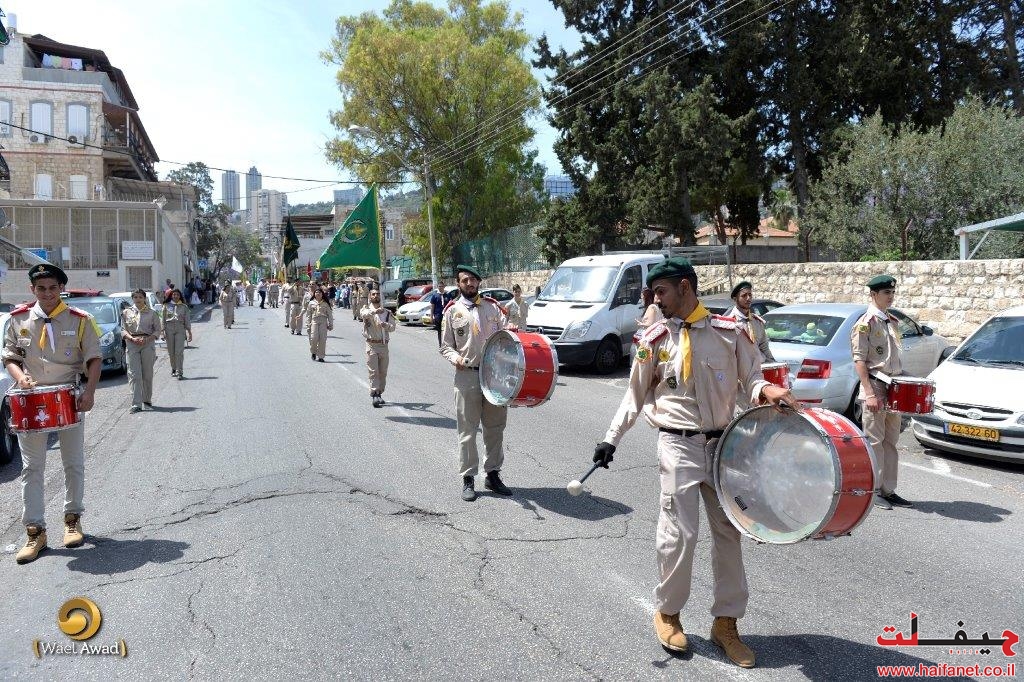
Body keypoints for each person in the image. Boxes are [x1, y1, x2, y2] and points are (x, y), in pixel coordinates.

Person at [592, 257, 797, 667]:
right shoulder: (654, 339)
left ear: (685, 287)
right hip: (677, 445)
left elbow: (751, 378)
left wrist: (765, 392)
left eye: (661, 292)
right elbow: (634, 395)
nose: (656, 300)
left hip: (723, 446)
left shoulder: (729, 333)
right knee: (680, 532)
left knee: (729, 532)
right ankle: (668, 613)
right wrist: (610, 438)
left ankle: (726, 624)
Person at [3, 264, 103, 564]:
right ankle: (35, 531)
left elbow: (94, 358)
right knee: (32, 467)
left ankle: (72, 519)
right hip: (31, 400)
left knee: (73, 463)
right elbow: (10, 357)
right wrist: (20, 378)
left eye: (52, 288)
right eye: (41, 288)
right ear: (32, 289)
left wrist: (89, 392)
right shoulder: (18, 320)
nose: (47, 294)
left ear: (61, 288)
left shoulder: (81, 320)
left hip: (69, 399)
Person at [440, 265, 514, 502]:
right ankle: (468, 478)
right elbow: (445, 347)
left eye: (473, 280)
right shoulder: (452, 312)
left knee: (495, 427)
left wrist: (512, 330)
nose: (470, 283)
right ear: (458, 283)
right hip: (467, 375)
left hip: (494, 375)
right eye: (465, 280)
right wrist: (456, 358)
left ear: (479, 282)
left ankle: (492, 474)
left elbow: (507, 335)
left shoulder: (493, 307)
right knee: (467, 430)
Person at [852, 274, 911, 511]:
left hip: (893, 387)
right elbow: (859, 360)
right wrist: (869, 393)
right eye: (887, 293)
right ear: (873, 294)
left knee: (891, 441)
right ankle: (873, 491)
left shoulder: (891, 321)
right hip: (875, 386)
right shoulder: (865, 323)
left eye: (893, 292)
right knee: (874, 441)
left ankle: (889, 489)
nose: (891, 296)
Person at [122, 289, 160, 413]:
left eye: (140, 297)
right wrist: (132, 339)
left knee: (147, 373)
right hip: (132, 344)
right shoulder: (126, 312)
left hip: (147, 343)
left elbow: (157, 330)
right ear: (132, 298)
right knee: (135, 374)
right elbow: (123, 330)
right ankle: (136, 404)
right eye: (135, 297)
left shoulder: (152, 313)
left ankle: (147, 400)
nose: (138, 299)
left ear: (144, 298)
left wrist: (148, 339)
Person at [359, 289, 397, 407]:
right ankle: (375, 394)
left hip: (383, 345)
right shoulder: (366, 309)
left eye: (377, 294)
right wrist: (375, 311)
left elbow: (393, 327)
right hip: (372, 344)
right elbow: (364, 315)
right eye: (373, 294)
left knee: (383, 372)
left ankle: (379, 393)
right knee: (373, 371)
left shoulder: (386, 312)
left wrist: (386, 325)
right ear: (369, 296)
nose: (375, 296)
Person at [162, 288, 193, 379]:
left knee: (179, 352)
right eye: (174, 294)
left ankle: (180, 372)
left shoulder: (184, 307)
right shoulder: (166, 306)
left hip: (180, 329)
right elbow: (162, 319)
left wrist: (189, 332)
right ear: (171, 296)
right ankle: (173, 368)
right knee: (171, 352)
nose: (175, 296)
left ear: (180, 296)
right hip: (169, 329)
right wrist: (162, 332)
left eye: (177, 295)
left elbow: (187, 320)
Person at [306, 287, 334, 362]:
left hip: (323, 321)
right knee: (313, 338)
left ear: (322, 294)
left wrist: (331, 324)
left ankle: (321, 356)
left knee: (322, 339)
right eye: (316, 292)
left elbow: (330, 315)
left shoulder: (326, 303)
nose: (318, 294)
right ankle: (314, 352)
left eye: (319, 292)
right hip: (314, 321)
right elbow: (308, 314)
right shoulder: (311, 303)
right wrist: (308, 324)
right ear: (314, 294)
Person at [429, 281, 446, 347]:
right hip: (438, 316)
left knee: (447, 331)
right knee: (439, 331)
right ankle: (440, 344)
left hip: (446, 316)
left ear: (444, 287)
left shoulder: (447, 295)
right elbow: (432, 307)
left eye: (441, 286)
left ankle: (447, 344)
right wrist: (431, 317)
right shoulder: (435, 295)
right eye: (439, 286)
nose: (440, 287)